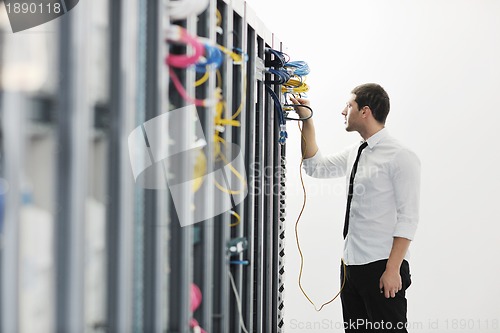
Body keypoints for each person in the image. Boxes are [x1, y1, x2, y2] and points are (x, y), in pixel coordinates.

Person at [291, 83, 421, 332]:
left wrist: (392, 270)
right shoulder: (356, 151)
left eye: (348, 105)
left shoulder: (400, 156)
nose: (343, 111)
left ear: (365, 111)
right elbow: (315, 167)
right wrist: (307, 120)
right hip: (351, 268)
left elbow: (409, 218)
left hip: (382, 268)